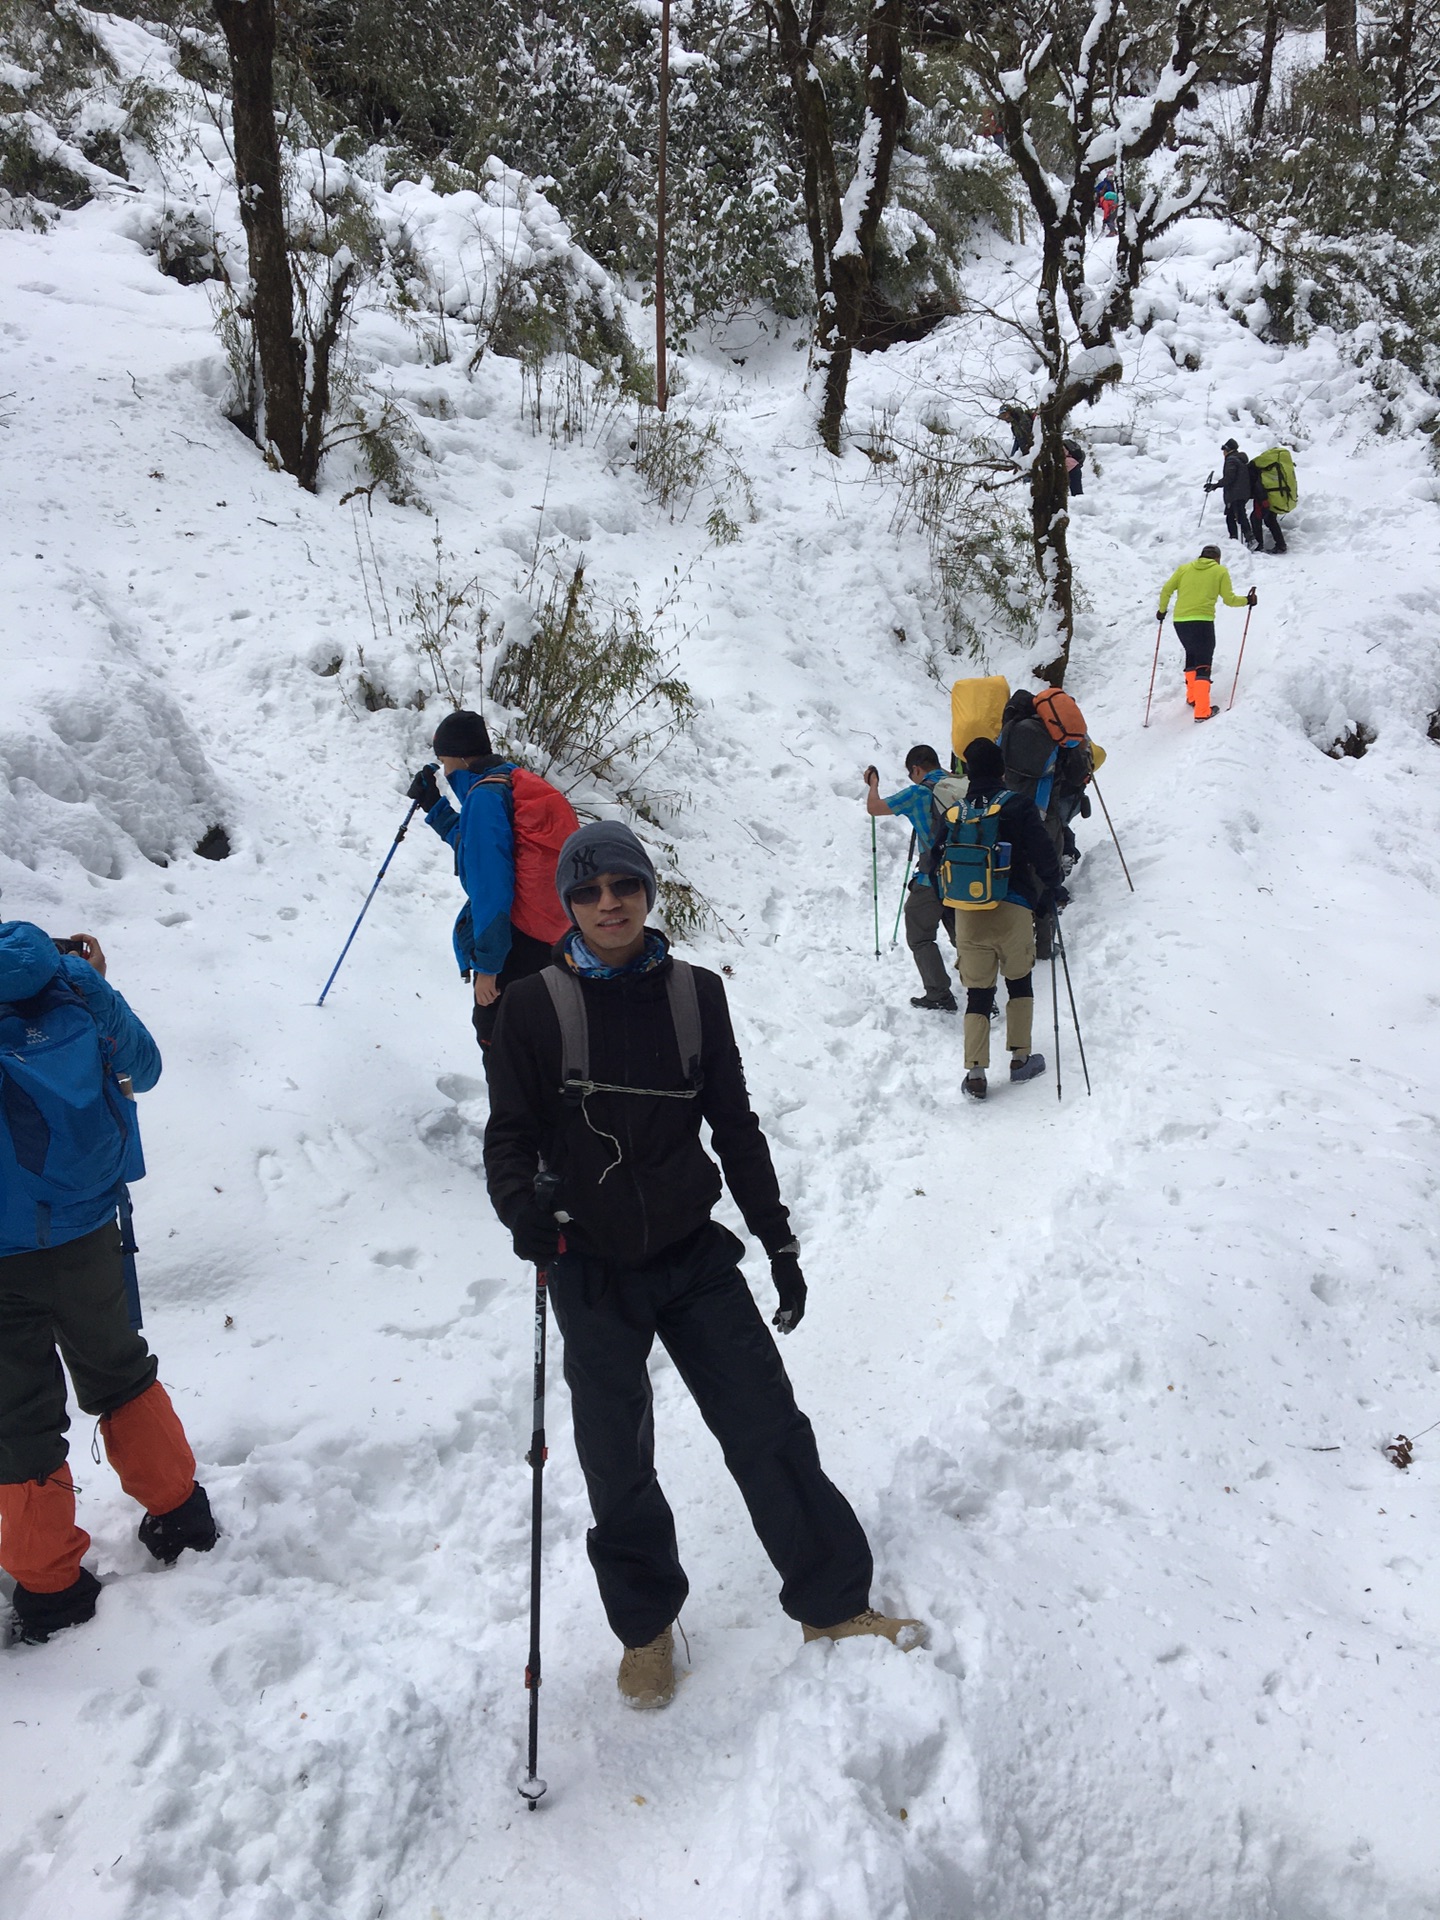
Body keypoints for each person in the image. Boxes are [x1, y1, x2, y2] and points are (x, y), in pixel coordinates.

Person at [483, 821, 924, 1709]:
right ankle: (645, 1628)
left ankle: (833, 1602)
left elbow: (735, 1124)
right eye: (589, 891)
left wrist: (779, 1241)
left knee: (767, 1427)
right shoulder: (531, 1007)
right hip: (589, 1265)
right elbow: (510, 1136)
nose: (609, 903)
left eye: (624, 885)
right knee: (617, 1461)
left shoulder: (695, 996)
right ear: (568, 904)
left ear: (648, 892)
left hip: (691, 1252)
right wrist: (520, 1209)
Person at [1, 921, 216, 1644]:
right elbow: (145, 1067)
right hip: (87, 1226)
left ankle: (50, 1586)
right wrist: (89, 977)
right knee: (120, 1371)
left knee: (18, 1420)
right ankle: (180, 1513)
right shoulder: (70, 981)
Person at [408, 710, 577, 1068]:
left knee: (501, 1044)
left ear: (461, 757)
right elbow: (476, 845)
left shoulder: (485, 797)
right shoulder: (511, 782)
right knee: (538, 1040)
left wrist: (488, 967)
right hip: (550, 936)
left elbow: (491, 887)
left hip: (515, 943)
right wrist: (435, 806)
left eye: (445, 761)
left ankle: (516, 1120)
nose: (446, 770)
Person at [940, 740, 1064, 1102]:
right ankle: (1020, 1059)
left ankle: (976, 1074)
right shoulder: (1018, 805)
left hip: (968, 914)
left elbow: (935, 860)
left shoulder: (955, 812)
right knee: (1019, 980)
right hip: (1013, 907)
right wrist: (1051, 890)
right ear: (1002, 771)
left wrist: (951, 908)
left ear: (967, 773)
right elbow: (1043, 851)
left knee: (978, 992)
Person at [863, 748, 955, 1012]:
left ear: (916, 769)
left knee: (919, 933)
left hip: (933, 878)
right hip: (969, 874)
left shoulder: (918, 793)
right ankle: (984, 993)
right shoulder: (961, 783)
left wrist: (873, 784)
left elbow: (874, 808)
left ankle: (939, 993)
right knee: (964, 935)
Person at [1156, 544, 1256, 723]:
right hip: (1202, 621)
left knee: (1191, 654)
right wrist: (1247, 600)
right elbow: (1229, 600)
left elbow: (1166, 589)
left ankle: (1192, 697)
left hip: (1180, 622)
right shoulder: (1220, 571)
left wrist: (1162, 610)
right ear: (1217, 558)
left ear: (1201, 556)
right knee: (1203, 661)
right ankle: (1202, 710)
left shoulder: (1184, 569)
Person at [1206, 438, 1254, 547]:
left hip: (1235, 494)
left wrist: (1215, 485)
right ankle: (1246, 539)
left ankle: (1241, 540)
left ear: (1227, 450)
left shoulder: (1231, 460)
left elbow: (1229, 478)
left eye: (1224, 450)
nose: (1223, 453)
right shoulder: (1240, 460)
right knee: (1238, 515)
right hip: (1242, 493)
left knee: (1233, 517)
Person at [1249, 457, 1289, 554]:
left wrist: (1262, 500)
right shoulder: (1261, 469)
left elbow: (1257, 486)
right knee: (1270, 520)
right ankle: (1281, 545)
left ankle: (1259, 545)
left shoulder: (1251, 471)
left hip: (1262, 500)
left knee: (1255, 519)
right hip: (1272, 498)